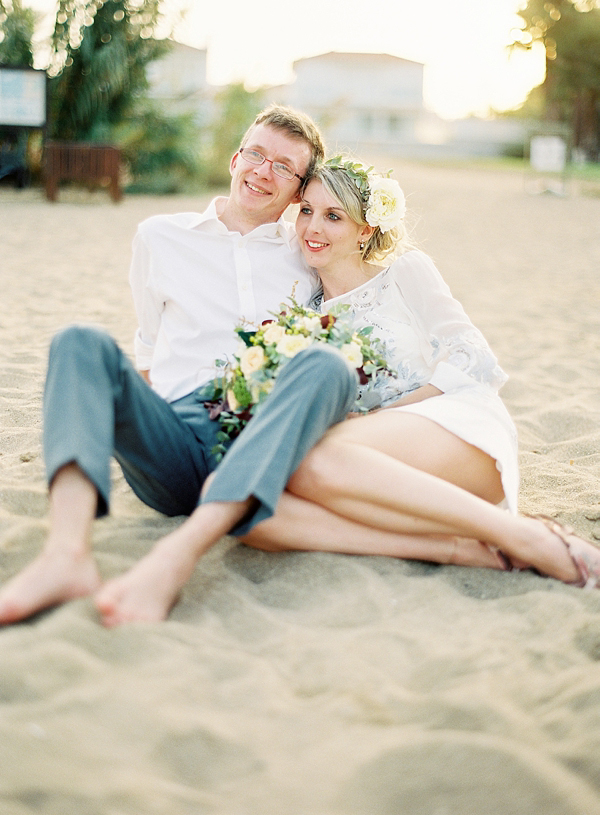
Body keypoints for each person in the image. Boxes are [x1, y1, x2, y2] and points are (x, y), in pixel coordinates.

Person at [91, 157, 600, 626]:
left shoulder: (404, 273)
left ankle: (522, 535)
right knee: (254, 516)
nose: (313, 228)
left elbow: (475, 360)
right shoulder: (299, 311)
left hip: (451, 427)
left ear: (366, 229)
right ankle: (460, 549)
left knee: (306, 464)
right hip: (369, 472)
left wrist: (387, 414)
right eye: (306, 211)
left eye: (334, 216)